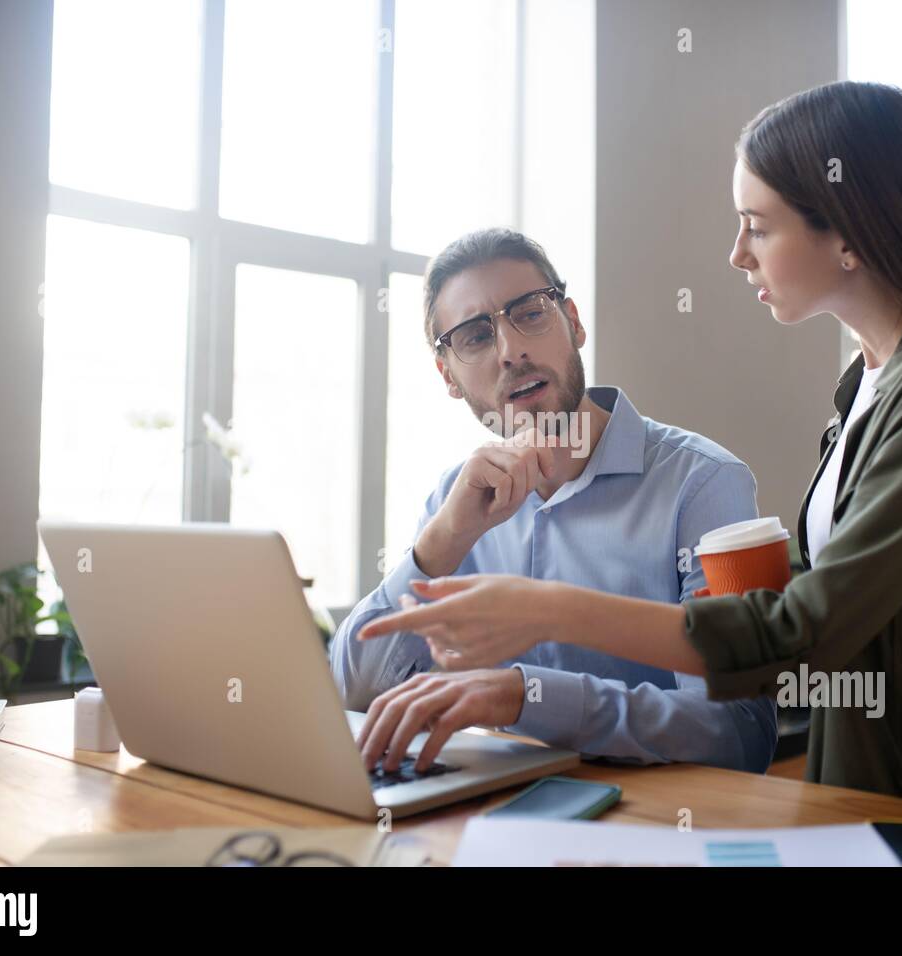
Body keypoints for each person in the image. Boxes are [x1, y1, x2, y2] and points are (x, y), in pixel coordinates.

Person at [358, 83, 902, 823]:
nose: (736, 254)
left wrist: (547, 615)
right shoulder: (865, 388)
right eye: (472, 336)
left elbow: (800, 636)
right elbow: (807, 607)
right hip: (863, 809)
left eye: (757, 226)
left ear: (848, 230)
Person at [331, 227, 777, 776]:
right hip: (492, 814)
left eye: (531, 313)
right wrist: (443, 540)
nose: (510, 350)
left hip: (655, 827)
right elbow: (352, 690)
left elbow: (741, 732)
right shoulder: (457, 501)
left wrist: (528, 697)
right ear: (448, 376)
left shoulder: (703, 483)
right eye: (474, 337)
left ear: (574, 321)